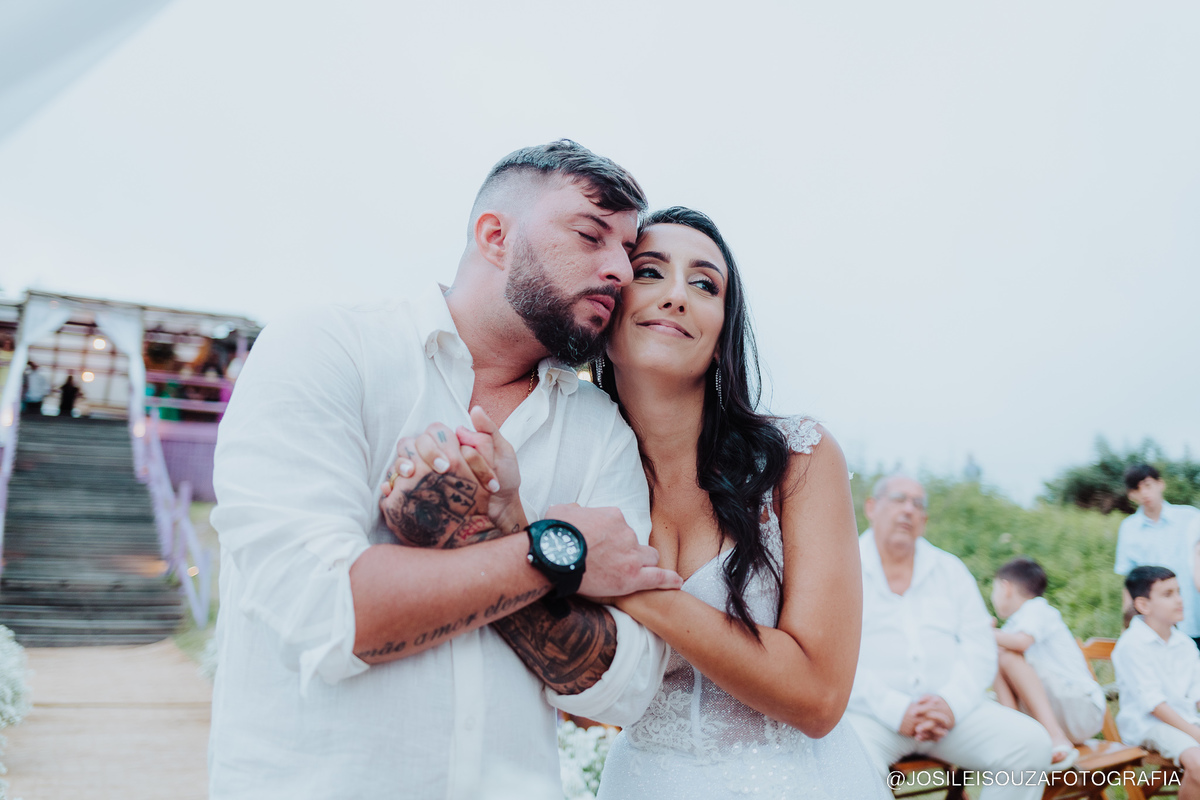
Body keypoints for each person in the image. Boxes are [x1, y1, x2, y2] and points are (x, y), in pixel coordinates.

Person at [207, 141, 684, 800]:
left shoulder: (601, 430)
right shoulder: (327, 348)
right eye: (590, 235)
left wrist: (495, 532)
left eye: (628, 252)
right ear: (495, 236)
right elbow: (326, 612)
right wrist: (560, 552)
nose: (621, 272)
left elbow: (624, 686)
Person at [413, 207, 890, 797]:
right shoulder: (575, 467)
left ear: (722, 335)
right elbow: (569, 670)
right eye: (649, 273)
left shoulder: (798, 459)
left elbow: (819, 698)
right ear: (606, 310)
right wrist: (515, 525)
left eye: (704, 284)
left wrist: (622, 581)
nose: (676, 296)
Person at [847, 475, 1052, 800]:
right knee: (846, 764)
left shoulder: (950, 569)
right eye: (899, 499)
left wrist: (950, 703)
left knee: (1030, 744)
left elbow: (979, 647)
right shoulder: (843, 567)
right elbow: (835, 657)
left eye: (918, 504)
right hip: (870, 716)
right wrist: (896, 709)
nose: (908, 510)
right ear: (871, 507)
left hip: (952, 716)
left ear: (925, 520)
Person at [990, 556, 1105, 767]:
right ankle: (1015, 735)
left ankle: (1053, 736)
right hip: (1060, 713)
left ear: (1006, 588)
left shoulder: (1037, 608)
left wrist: (982, 631)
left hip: (1081, 709)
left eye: (994, 589)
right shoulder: (1014, 625)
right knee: (995, 655)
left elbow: (1022, 643)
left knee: (1004, 655)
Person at [1113, 566, 1200, 800]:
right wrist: (1195, 733)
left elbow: (1197, 695)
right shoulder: (1132, 644)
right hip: (1148, 725)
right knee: (1198, 763)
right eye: (1168, 594)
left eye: (1179, 592)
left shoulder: (1185, 643)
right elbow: (1154, 705)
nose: (1179, 600)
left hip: (1186, 720)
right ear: (1143, 605)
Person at [1114, 464, 1200, 646]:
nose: (1144, 493)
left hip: (1193, 615)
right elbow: (1130, 580)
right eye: (1136, 489)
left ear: (1160, 484)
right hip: (1155, 623)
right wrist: (1126, 624)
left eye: (1148, 485)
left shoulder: (1190, 517)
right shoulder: (1129, 528)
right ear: (1131, 495)